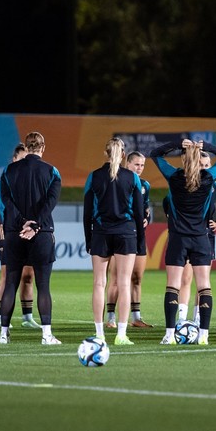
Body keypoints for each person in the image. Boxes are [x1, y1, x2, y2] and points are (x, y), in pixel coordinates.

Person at [151, 138, 216, 346]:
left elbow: (156, 154)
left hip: (178, 238)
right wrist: (207, 147)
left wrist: (177, 143)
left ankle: (169, 335)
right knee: (204, 287)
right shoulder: (208, 178)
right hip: (200, 238)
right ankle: (203, 335)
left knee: (173, 286)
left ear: (182, 160)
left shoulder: (174, 176)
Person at [0, 132, 63, 345]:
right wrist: (34, 224)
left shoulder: (9, 170)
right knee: (43, 285)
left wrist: (22, 222)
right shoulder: (52, 172)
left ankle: (3, 334)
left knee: (10, 284)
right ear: (43, 148)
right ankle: (46, 335)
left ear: (26, 147)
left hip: (14, 233)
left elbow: (6, 200)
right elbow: (50, 204)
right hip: (41, 234)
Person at [84, 137, 146, 346]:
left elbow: (87, 213)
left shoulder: (94, 177)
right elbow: (139, 213)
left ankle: (100, 333)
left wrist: (88, 239)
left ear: (106, 153)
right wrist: (140, 241)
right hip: (126, 233)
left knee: (99, 283)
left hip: (101, 233)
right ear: (123, 155)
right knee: (124, 283)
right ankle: (121, 334)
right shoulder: (132, 178)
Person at [176, 152, 216, 326]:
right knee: (185, 278)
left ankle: (198, 317)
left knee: (203, 280)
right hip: (187, 233)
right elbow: (168, 201)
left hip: (207, 235)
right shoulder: (186, 184)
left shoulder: (214, 185)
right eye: (200, 165)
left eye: (207, 165)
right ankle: (181, 319)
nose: (203, 168)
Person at [105, 150, 154, 328]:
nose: (139, 168)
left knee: (137, 278)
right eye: (136, 164)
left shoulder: (144, 185)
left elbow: (146, 208)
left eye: (142, 165)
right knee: (117, 279)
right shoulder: (118, 181)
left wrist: (146, 219)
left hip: (138, 235)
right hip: (122, 233)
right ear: (127, 163)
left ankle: (136, 317)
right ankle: (110, 318)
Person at [0, 143, 39, 328]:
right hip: (11, 231)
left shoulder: (30, 180)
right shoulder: (6, 178)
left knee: (28, 275)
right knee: (8, 275)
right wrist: (1, 238)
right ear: (14, 160)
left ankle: (27, 317)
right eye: (21, 159)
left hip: (28, 231)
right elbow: (0, 209)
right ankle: (2, 317)